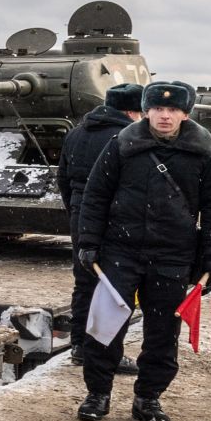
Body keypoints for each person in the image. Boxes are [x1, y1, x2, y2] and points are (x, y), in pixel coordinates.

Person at [74, 80, 211, 421]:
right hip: (121, 250)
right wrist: (87, 242)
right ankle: (98, 393)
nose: (164, 115)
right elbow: (96, 194)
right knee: (105, 327)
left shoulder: (203, 151)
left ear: (185, 114)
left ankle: (148, 398)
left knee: (162, 332)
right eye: (158, 109)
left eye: (173, 110)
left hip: (173, 255)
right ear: (146, 111)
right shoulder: (123, 144)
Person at [59, 83, 142, 370]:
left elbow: (63, 179)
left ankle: (80, 346)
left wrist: (77, 212)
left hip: (81, 216)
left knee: (84, 283)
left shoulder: (76, 133)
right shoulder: (127, 136)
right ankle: (107, 352)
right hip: (116, 217)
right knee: (115, 286)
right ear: (131, 111)